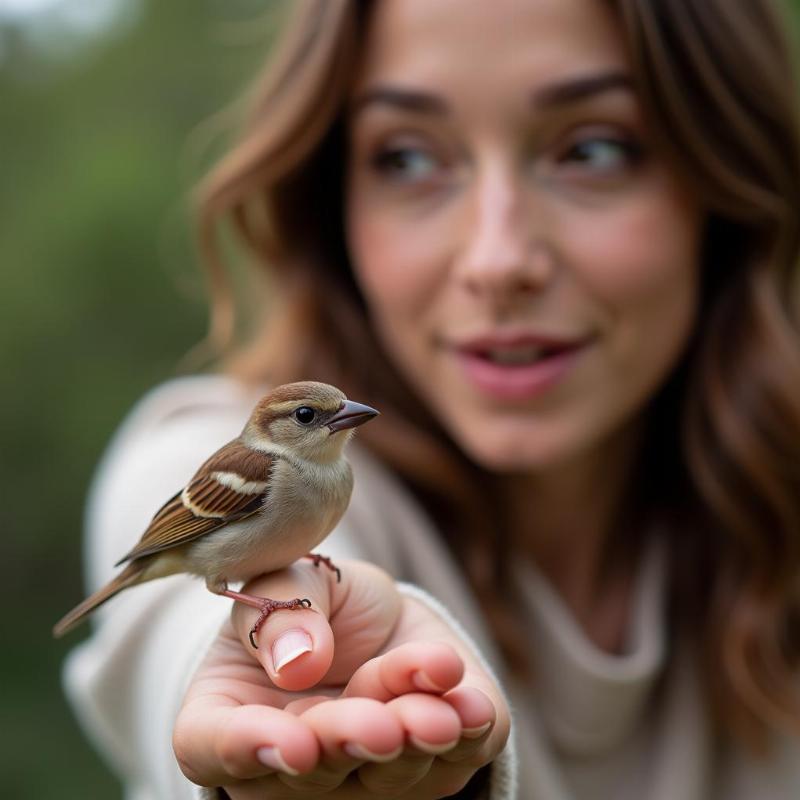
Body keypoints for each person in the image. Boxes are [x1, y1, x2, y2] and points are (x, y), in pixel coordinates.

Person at [61, 0, 800, 798]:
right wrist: (268, 695)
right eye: (408, 158)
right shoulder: (203, 444)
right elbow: (175, 646)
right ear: (327, 203)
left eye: (594, 148)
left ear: (732, 190)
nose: (498, 259)